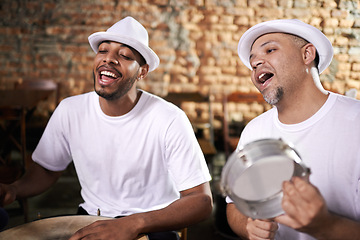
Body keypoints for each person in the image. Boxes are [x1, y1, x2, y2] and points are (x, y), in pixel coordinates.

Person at [0, 16, 213, 240]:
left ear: (142, 71)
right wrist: (14, 189)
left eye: (124, 55)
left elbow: (201, 200)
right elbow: (47, 169)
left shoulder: (169, 118)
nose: (108, 59)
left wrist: (134, 223)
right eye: (103, 51)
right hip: (92, 217)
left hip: (154, 224)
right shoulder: (70, 110)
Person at [226, 19, 360, 239]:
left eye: (270, 50)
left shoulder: (356, 124)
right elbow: (234, 206)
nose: (257, 63)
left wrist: (325, 225)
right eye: (252, 62)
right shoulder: (254, 131)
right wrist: (249, 227)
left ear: (307, 54)